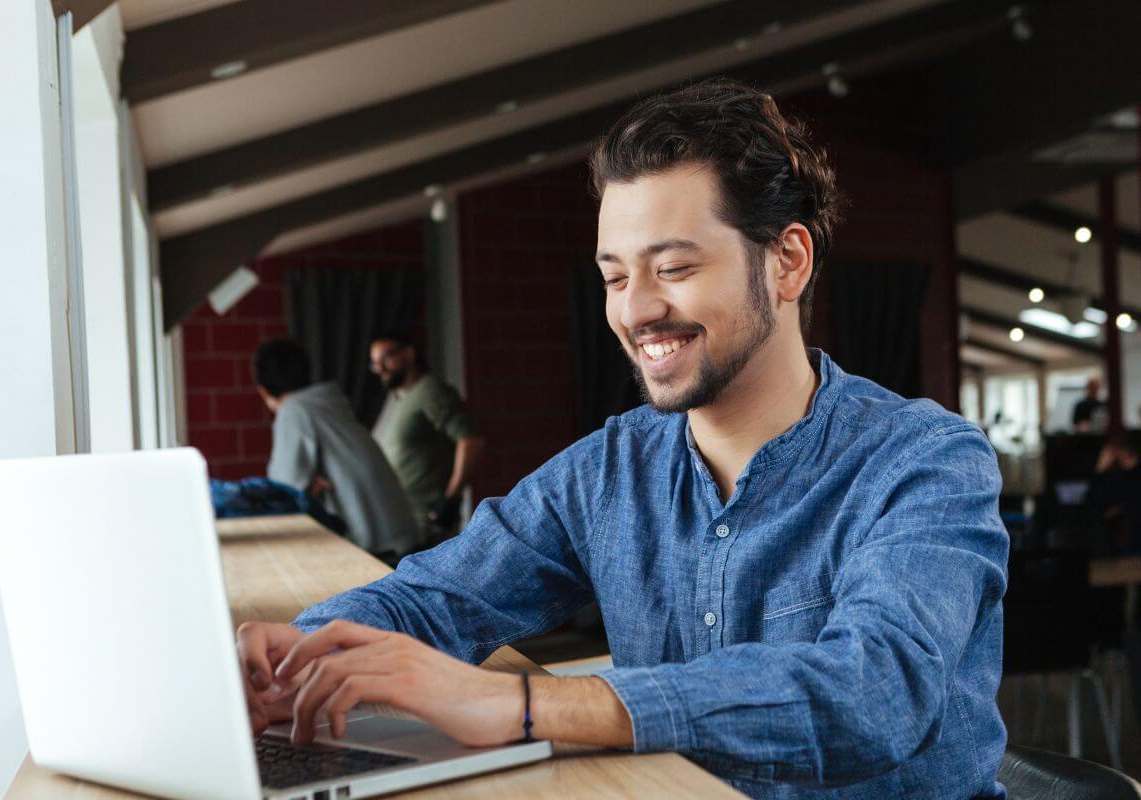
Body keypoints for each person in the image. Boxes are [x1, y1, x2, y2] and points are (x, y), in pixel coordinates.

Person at [238, 80, 1009, 798]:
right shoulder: (612, 469)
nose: (637, 311)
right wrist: (300, 658)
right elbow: (438, 597)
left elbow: (872, 694)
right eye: (614, 277)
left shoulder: (925, 461)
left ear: (787, 262)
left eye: (672, 267)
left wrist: (526, 706)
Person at [254, 339, 423, 560]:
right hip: (402, 536)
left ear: (263, 390)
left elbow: (281, 494)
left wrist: (304, 489)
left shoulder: (295, 409)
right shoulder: (328, 400)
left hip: (381, 552)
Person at [368, 332, 484, 538]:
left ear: (409, 354)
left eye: (386, 358)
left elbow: (471, 441)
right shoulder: (396, 396)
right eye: (375, 363)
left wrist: (451, 498)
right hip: (399, 517)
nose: (380, 369)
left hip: (428, 520)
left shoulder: (432, 391)